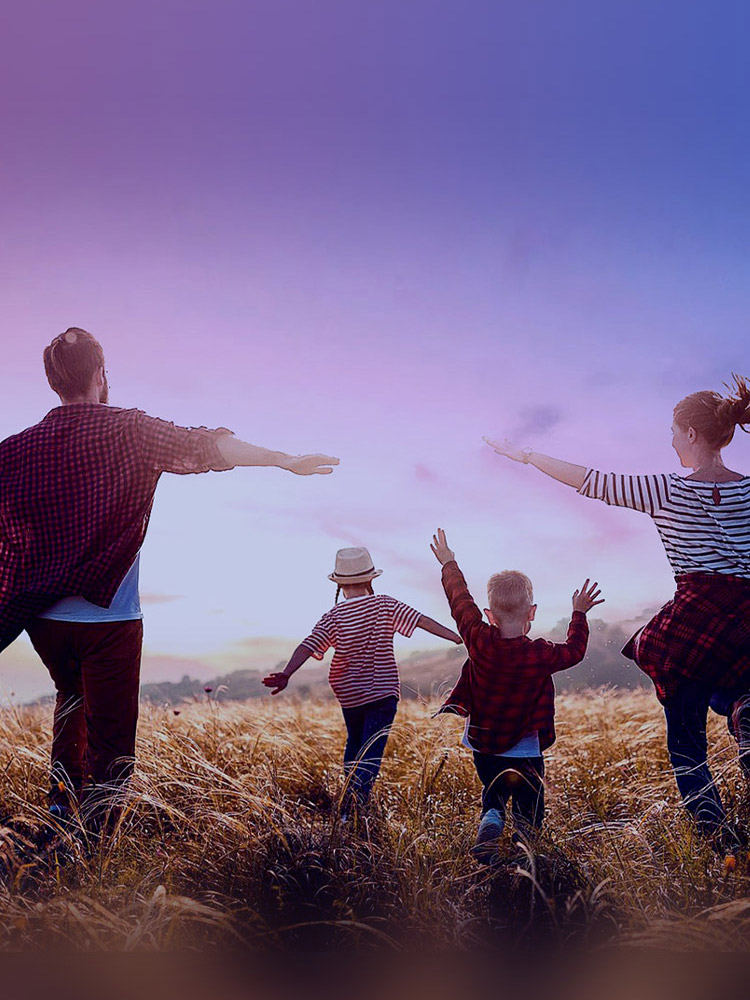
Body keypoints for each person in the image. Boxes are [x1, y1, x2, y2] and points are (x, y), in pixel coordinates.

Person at [0, 327, 338, 834]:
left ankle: (60, 811)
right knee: (112, 736)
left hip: (42, 619)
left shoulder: (15, 450)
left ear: (54, 382)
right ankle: (95, 840)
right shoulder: (129, 430)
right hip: (109, 620)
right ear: (100, 374)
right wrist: (282, 460)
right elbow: (207, 446)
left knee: (70, 697)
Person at [484, 374, 750, 850]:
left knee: (687, 745)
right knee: (737, 688)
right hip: (746, 620)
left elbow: (590, 481)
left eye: (674, 432)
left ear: (692, 433)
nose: (671, 441)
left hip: (696, 621)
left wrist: (526, 455)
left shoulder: (665, 490)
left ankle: (722, 844)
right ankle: (741, 707)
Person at [430, 528, 601, 861]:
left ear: (489, 615)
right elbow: (574, 651)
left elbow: (460, 602)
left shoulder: (478, 639)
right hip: (525, 749)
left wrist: (448, 563)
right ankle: (525, 850)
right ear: (532, 613)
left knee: (494, 792)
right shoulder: (540, 653)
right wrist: (578, 614)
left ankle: (492, 818)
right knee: (529, 804)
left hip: (484, 744)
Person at [262, 546, 462, 817]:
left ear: (339, 584)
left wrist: (287, 673)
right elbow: (421, 621)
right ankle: (354, 807)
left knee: (355, 743)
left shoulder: (333, 616)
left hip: (349, 694)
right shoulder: (385, 604)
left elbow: (308, 645)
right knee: (371, 750)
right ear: (370, 579)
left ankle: (349, 803)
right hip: (382, 692)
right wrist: (455, 636)